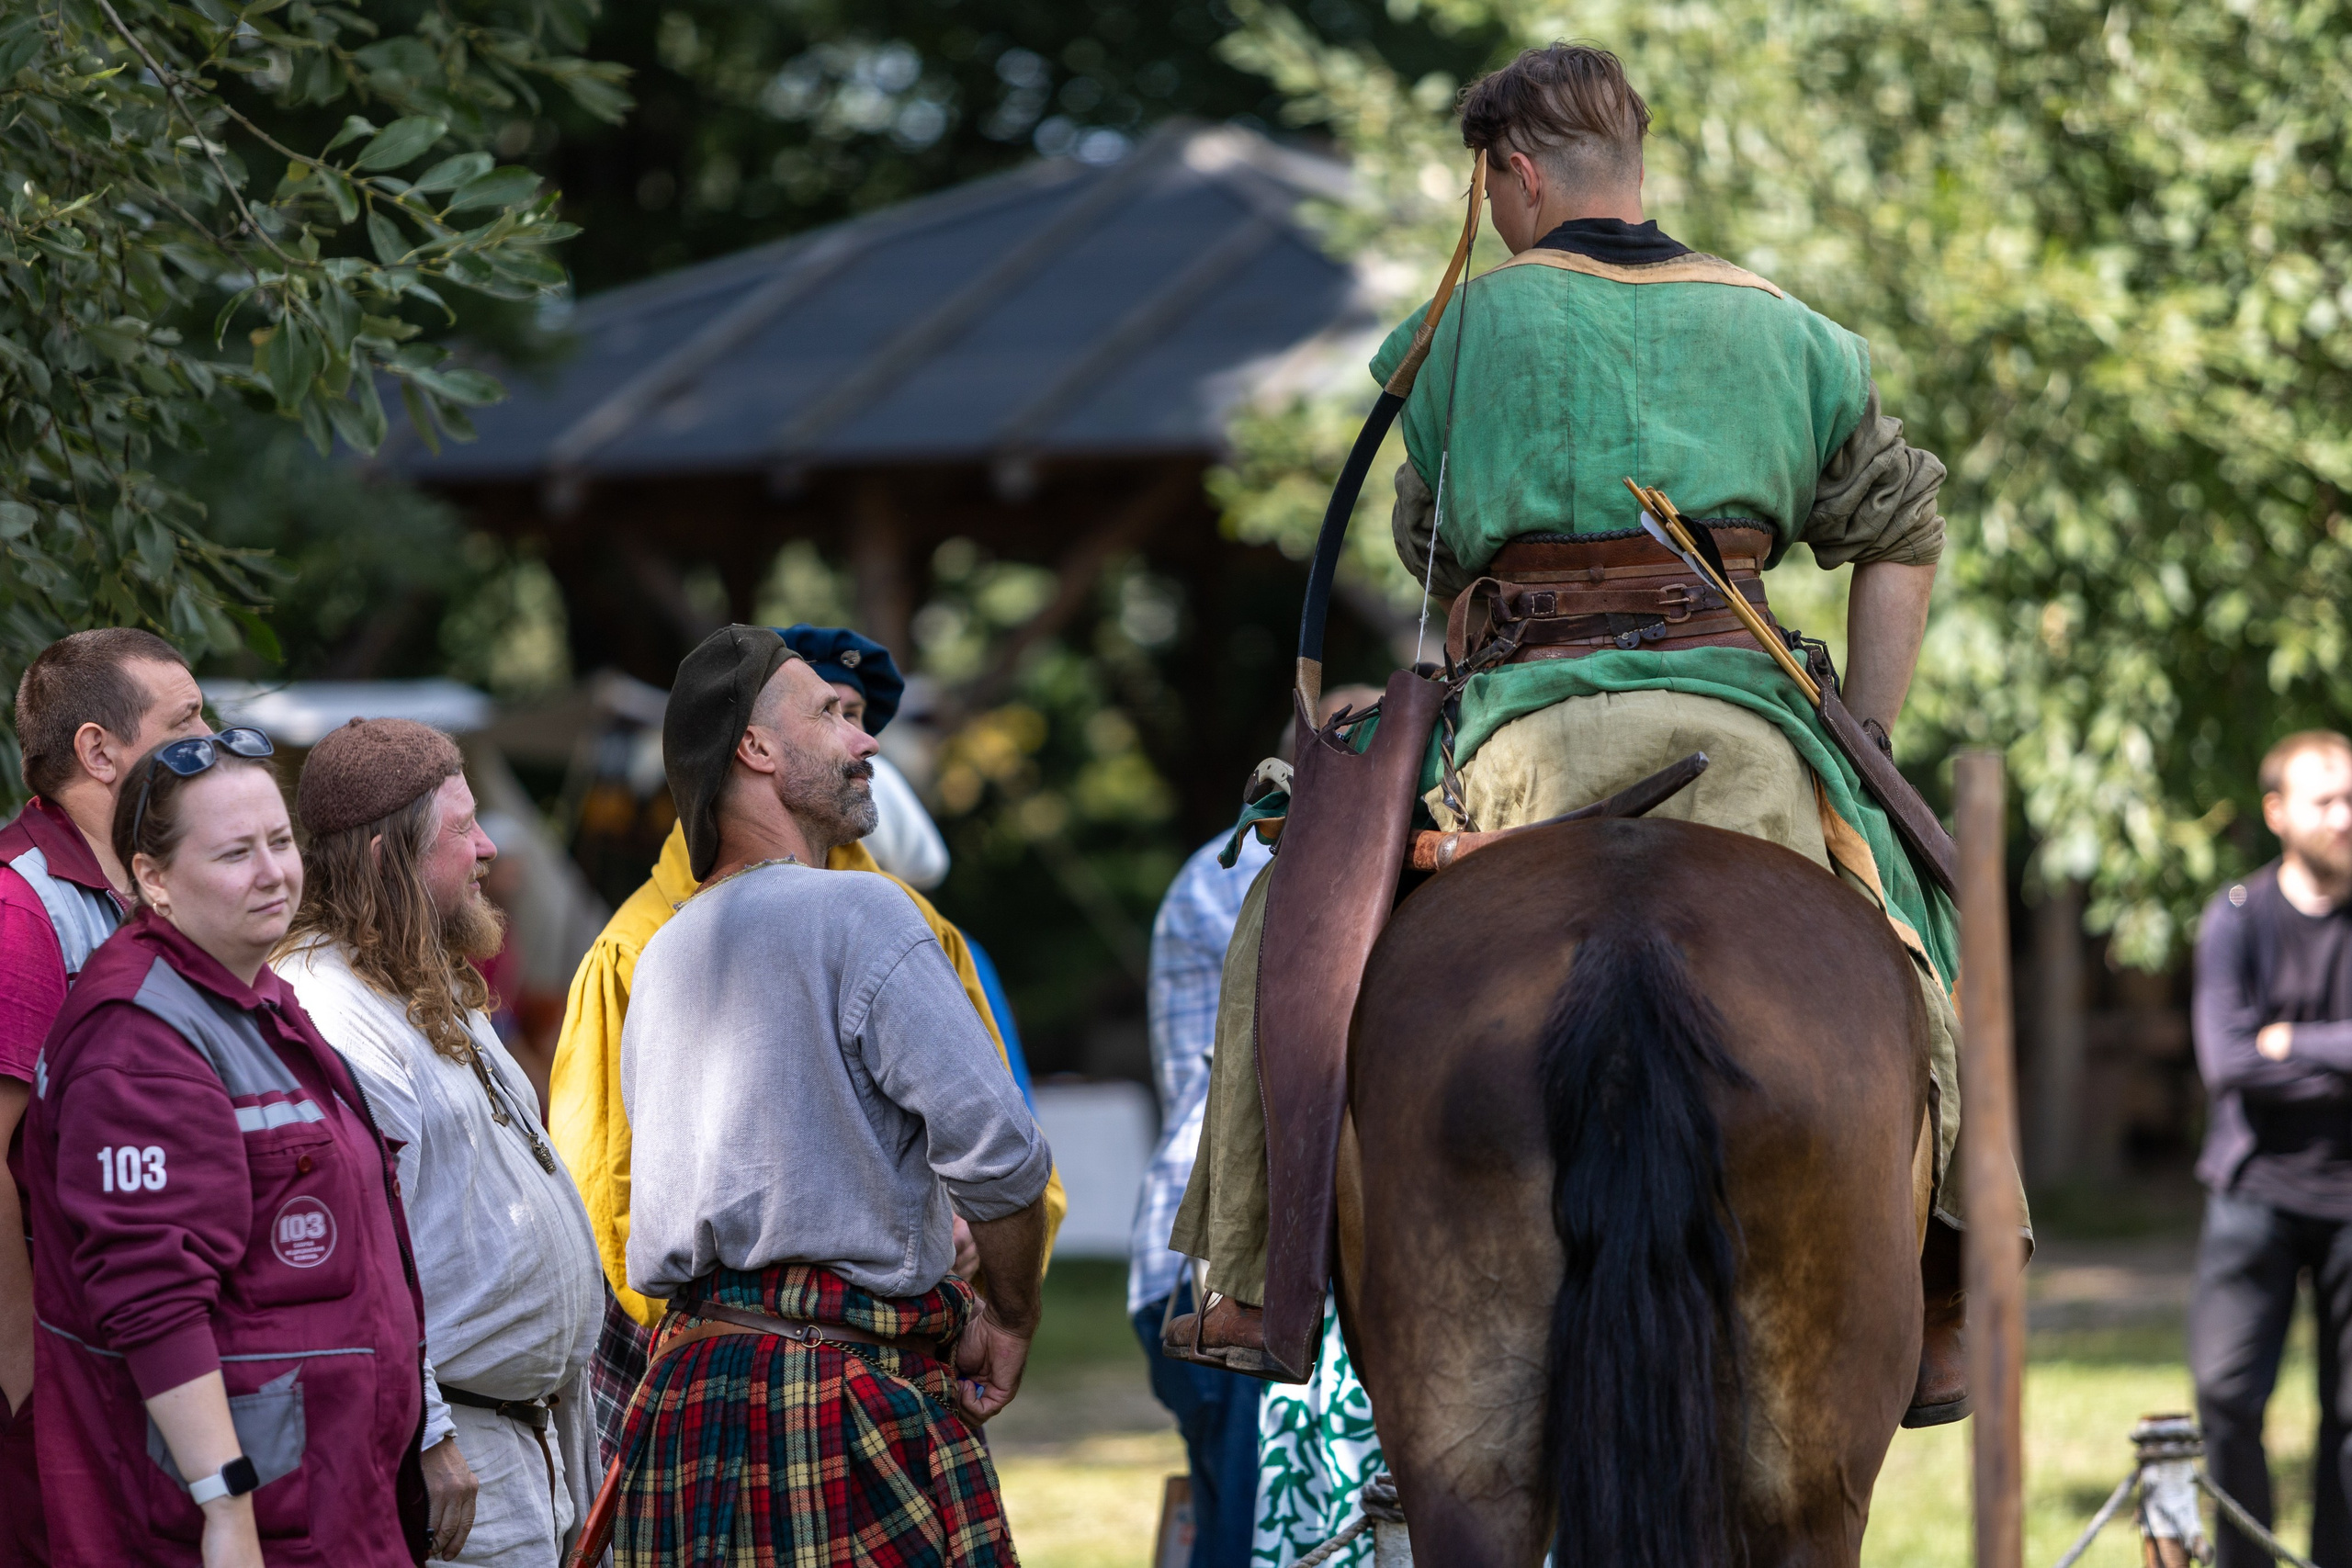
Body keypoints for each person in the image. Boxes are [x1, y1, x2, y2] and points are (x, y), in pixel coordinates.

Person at [1168, 41, 2007, 1427]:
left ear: (1514, 171)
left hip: (1518, 737)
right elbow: (1904, 530)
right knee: (1928, 932)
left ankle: (1262, 1271)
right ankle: (1948, 1281)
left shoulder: (1458, 332)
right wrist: (1864, 727)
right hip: (1744, 735)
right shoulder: (1791, 326)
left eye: (1490, 192)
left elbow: (1430, 555)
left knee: (1292, 909)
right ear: (1633, 154)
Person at [548, 628, 1064, 1461]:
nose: (867, 742)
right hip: (844, 1396)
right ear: (754, 747)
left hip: (695, 1400)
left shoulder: (666, 949)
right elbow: (1001, 1155)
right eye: (833, 713)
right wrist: (1008, 1316)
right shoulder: (862, 913)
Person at [22, 728, 428, 1566]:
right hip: (237, 1524)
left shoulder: (252, 996)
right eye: (235, 853)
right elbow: (151, 1299)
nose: (273, 871)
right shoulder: (140, 1037)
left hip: (325, 1502)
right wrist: (225, 1505)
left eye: (280, 842)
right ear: (154, 879)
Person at [274, 719, 604, 1568]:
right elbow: (352, 1249)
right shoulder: (330, 1005)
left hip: (520, 1439)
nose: (490, 847)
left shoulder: (424, 979)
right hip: (454, 1457)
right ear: (386, 856)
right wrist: (427, 1424)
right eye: (462, 829)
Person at [1, 627, 209, 1567]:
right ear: (98, 750)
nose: (211, 739)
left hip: (137, 1369)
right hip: (53, 1392)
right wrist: (24, 1382)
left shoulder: (146, 891)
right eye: (188, 720)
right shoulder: (21, 907)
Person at [2191, 730, 2352, 1567]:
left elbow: (2259, 1055)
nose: (2347, 816)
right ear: (2278, 813)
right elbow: (2228, 1062)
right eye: (2327, 799)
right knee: (2225, 1399)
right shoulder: (2237, 918)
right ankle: (2247, 1558)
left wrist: (2291, 1043)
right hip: (2253, 1191)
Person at [776, 623, 949, 888]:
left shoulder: (881, 778)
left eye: (851, 715)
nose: (867, 744)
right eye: (825, 712)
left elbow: (927, 866)